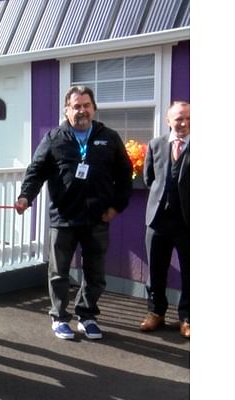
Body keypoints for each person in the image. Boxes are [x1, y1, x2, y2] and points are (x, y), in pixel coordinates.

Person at [15, 85, 133, 340]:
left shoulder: (109, 137)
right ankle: (59, 317)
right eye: (76, 106)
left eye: (86, 105)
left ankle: (87, 315)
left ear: (94, 108)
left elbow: (125, 177)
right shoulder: (54, 138)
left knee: (95, 272)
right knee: (59, 272)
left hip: (97, 218)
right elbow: (36, 171)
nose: (82, 111)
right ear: (67, 110)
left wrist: (116, 207)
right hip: (63, 218)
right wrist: (26, 196)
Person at [139, 101, 190, 339]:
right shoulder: (156, 145)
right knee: (156, 271)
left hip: (188, 222)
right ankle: (155, 313)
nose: (184, 123)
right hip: (157, 220)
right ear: (168, 120)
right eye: (179, 118)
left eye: (189, 118)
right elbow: (149, 178)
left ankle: (187, 318)